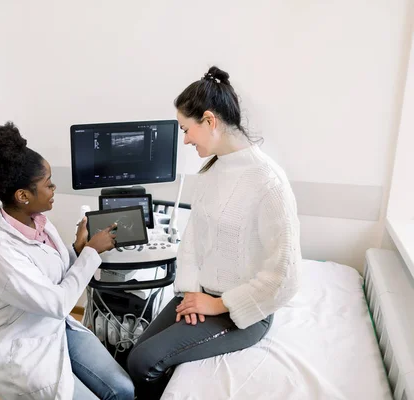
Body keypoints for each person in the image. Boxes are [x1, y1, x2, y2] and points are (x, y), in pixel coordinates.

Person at [127, 66, 302, 398]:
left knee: (143, 361)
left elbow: (285, 277)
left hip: (242, 313)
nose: (186, 139)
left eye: (186, 129)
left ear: (209, 120)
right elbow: (193, 239)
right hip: (201, 294)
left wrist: (216, 304)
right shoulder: (211, 172)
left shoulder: (269, 183)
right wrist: (192, 296)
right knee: (135, 352)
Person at [0, 122, 135, 400]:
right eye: (48, 184)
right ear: (23, 196)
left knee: (123, 390)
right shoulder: (0, 251)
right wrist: (91, 253)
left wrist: (77, 249)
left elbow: (52, 274)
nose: (54, 187)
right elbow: (57, 302)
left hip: (57, 328)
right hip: (25, 346)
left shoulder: (39, 222)